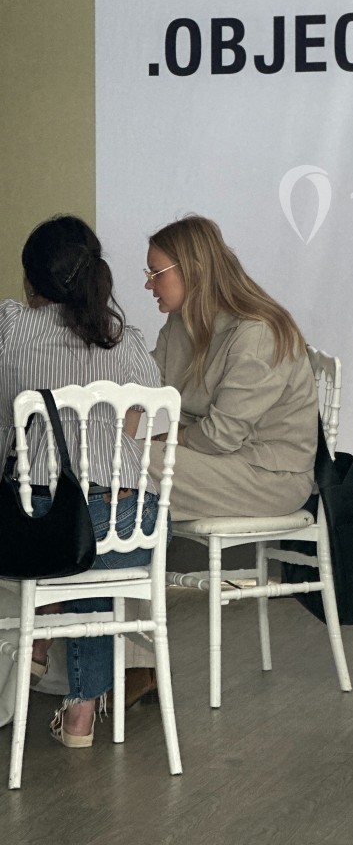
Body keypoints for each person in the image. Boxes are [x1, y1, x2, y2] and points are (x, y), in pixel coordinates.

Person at [0, 215, 163, 746]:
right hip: (126, 527)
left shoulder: (11, 330)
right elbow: (143, 415)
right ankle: (81, 714)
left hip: (40, 524)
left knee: (69, 547)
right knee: (92, 558)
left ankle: (39, 637)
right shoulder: (128, 341)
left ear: (31, 282)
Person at [145, 216, 317, 521]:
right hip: (219, 460)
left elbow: (220, 436)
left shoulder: (258, 332)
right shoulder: (179, 323)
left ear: (193, 270)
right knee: (118, 458)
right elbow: (143, 383)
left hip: (270, 477)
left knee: (132, 461)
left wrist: (172, 439)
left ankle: (105, 559)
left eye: (157, 273)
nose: (149, 283)